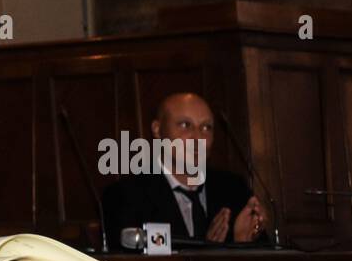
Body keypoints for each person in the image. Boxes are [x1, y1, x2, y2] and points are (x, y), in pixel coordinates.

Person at [103, 92, 267, 248]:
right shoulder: (125, 196)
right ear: (157, 130)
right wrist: (208, 253)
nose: (197, 137)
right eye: (185, 125)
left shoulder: (233, 188)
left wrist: (243, 245)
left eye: (206, 127)